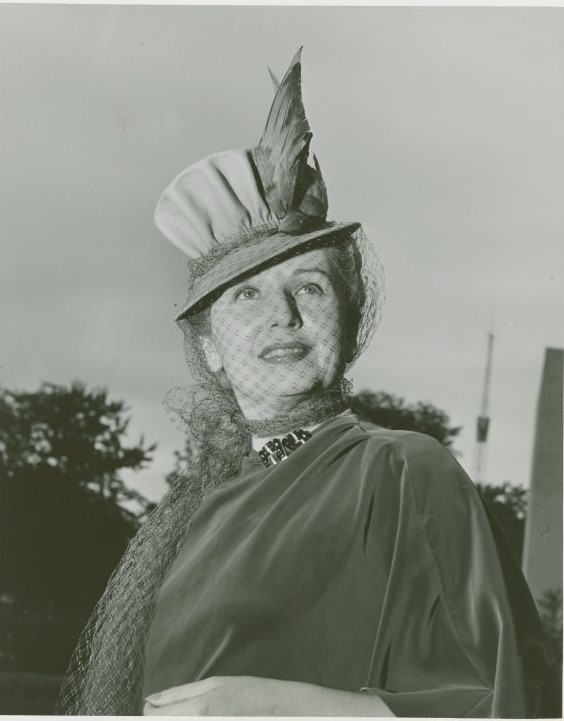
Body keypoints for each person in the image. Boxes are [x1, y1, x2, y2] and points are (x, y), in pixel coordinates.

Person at [57, 50, 560, 717]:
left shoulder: (405, 470)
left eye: (310, 286)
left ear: (347, 324)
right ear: (209, 349)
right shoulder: (188, 516)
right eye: (247, 296)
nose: (283, 315)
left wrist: (295, 707)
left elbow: (519, 700)